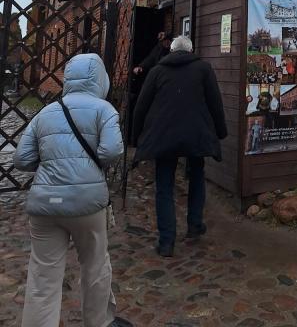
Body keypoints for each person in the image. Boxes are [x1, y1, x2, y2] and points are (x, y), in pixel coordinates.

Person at [13, 53, 131, 327]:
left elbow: (21, 159)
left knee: (43, 275)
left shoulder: (46, 112)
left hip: (45, 206)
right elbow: (112, 150)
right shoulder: (104, 110)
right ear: (101, 79)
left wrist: (53, 162)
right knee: (95, 266)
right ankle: (99, 321)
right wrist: (90, 165)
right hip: (87, 204)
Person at [132, 35, 227, 257]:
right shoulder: (203, 69)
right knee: (196, 176)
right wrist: (220, 131)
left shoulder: (157, 71)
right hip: (196, 134)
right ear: (191, 50)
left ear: (171, 51)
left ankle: (167, 241)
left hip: (164, 135)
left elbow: (141, 106)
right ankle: (194, 225)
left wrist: (137, 137)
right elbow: (215, 102)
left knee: (164, 186)